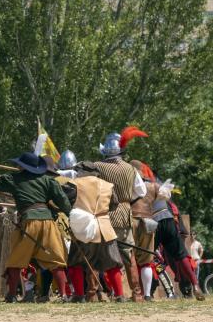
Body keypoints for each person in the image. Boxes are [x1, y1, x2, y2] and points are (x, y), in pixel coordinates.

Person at [0, 152, 71, 303]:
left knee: (16, 261)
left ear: (23, 166)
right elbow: (63, 200)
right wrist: (71, 215)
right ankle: (64, 296)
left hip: (29, 224)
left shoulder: (13, 179)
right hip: (48, 223)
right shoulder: (48, 180)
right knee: (55, 260)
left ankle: (12, 295)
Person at [94, 128, 148, 302]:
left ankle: (96, 294)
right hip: (125, 214)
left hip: (104, 214)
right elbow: (142, 190)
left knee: (100, 254)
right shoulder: (131, 169)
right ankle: (137, 293)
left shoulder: (98, 166)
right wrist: (126, 199)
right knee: (128, 255)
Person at [63, 161, 125, 302]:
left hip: (83, 228)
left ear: (80, 171)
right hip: (105, 228)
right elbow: (114, 204)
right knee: (113, 263)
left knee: (75, 262)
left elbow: (64, 201)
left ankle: (79, 295)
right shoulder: (108, 185)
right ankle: (120, 295)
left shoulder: (73, 184)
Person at [129, 160, 163, 301]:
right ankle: (147, 295)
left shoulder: (129, 186)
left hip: (131, 221)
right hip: (149, 222)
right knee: (146, 261)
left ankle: (137, 294)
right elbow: (165, 196)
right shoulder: (153, 186)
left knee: (130, 259)